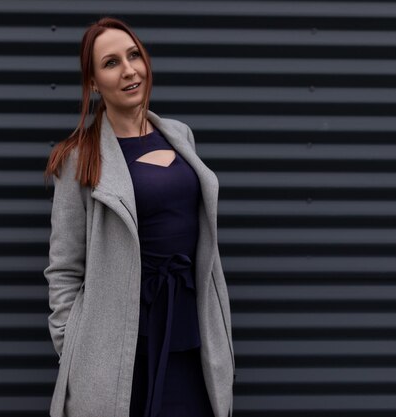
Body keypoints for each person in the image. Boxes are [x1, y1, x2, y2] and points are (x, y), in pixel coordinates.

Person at [43, 16, 235, 417]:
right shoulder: (77, 158)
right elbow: (63, 270)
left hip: (191, 334)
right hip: (119, 351)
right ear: (93, 82)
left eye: (134, 56)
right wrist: (75, 350)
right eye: (111, 63)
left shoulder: (180, 135)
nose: (129, 70)